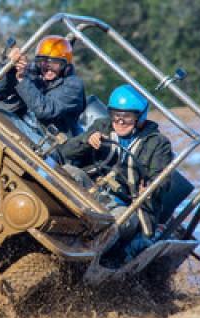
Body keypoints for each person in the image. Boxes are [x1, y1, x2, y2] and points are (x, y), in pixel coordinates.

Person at [61, 84, 173, 263]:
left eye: (127, 117)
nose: (120, 122)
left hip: (127, 206)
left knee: (119, 221)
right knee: (67, 172)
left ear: (140, 117)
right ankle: (54, 228)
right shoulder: (101, 126)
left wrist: (151, 189)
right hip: (93, 191)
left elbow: (163, 180)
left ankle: (90, 258)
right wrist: (86, 141)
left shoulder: (158, 144)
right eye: (115, 115)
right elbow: (65, 152)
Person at [0, 35, 86, 139]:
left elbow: (45, 110)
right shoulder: (32, 70)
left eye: (55, 63)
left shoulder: (74, 86)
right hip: (20, 125)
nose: (48, 68)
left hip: (47, 141)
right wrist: (11, 68)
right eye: (43, 62)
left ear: (66, 65)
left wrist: (22, 79)